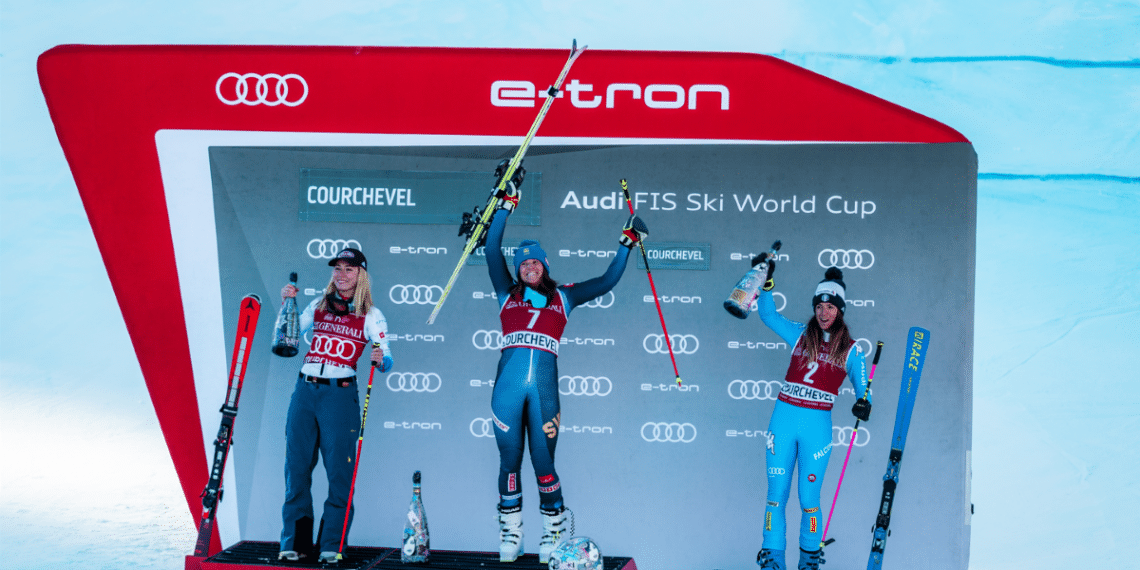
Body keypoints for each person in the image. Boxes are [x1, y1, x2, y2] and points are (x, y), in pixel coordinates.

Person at [484, 163, 647, 563]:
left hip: (543, 391)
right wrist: (506, 204)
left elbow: (607, 281)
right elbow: (491, 247)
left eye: (535, 262)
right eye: (523, 265)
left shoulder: (565, 298)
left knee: (543, 462)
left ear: (545, 266)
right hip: (506, 390)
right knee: (508, 461)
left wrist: (627, 242)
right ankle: (511, 534)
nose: (529, 267)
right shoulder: (507, 293)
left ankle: (552, 534)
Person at [751, 261, 871, 570]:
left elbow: (864, 389)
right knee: (776, 496)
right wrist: (767, 283)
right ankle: (772, 559)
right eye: (820, 305)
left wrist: (863, 402)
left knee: (809, 500)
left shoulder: (852, 351)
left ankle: (809, 560)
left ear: (840, 310)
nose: (824, 311)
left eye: (831, 306)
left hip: (816, 428)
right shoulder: (800, 334)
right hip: (784, 422)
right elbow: (767, 315)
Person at [277, 248, 393, 564]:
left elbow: (387, 357)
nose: (341, 275)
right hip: (305, 391)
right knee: (296, 469)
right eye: (337, 269)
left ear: (361, 275)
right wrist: (288, 303)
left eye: (349, 270)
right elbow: (287, 339)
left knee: (339, 473)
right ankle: (296, 543)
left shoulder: (371, 314)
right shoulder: (318, 304)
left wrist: (382, 359)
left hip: (339, 398)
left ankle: (332, 544)